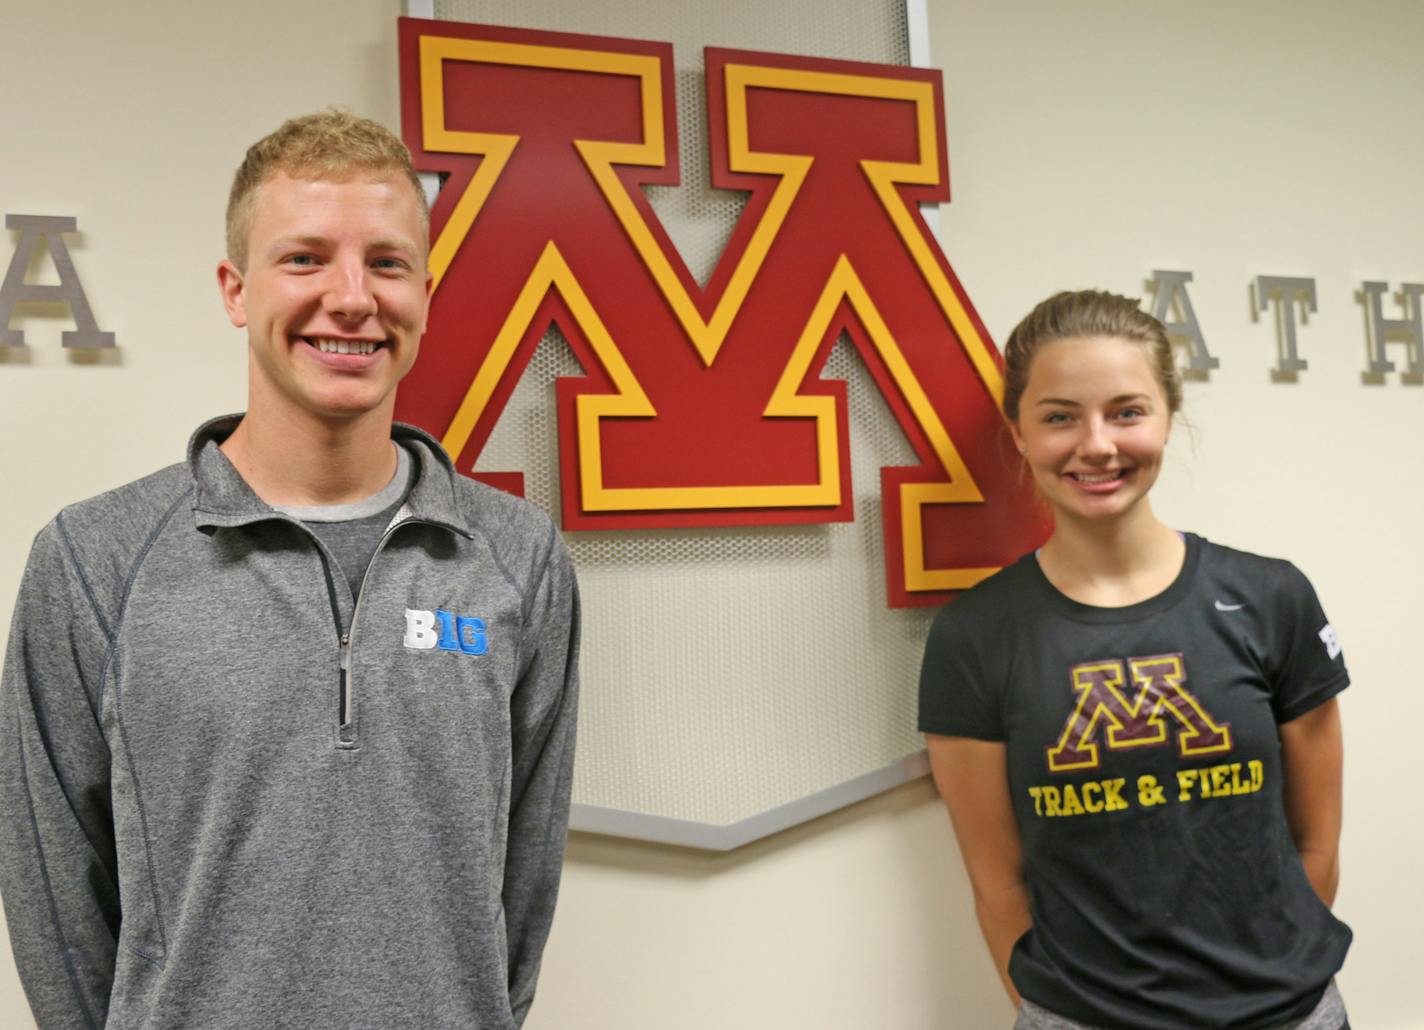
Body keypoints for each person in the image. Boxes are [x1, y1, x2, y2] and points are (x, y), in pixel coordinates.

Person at [0, 110, 579, 1029]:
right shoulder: (92, 560)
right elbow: (53, 899)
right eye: (304, 259)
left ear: (424, 291)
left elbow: (521, 883)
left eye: (386, 263)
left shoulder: (515, 558)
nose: (352, 298)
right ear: (236, 289)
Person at [919, 290, 1350, 1029]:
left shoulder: (1272, 596)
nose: (1096, 445)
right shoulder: (975, 634)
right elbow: (998, 886)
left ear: (1167, 417)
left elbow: (1316, 841)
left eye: (1127, 411)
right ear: (1017, 433)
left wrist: (1269, 985)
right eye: (1059, 416)